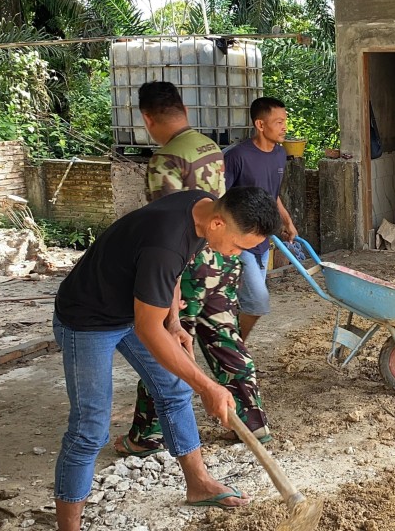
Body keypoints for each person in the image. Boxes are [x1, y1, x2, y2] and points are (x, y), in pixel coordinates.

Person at [52, 186, 281, 530]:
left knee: (173, 391)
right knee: (90, 429)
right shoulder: (167, 241)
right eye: (237, 246)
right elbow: (148, 328)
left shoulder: (201, 207)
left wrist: (173, 321)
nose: (234, 255)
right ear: (219, 223)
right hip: (87, 319)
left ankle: (199, 484)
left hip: (130, 308)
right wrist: (207, 386)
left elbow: (173, 273)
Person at [118, 81, 272, 457]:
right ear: (183, 108)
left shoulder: (165, 160)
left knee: (168, 345)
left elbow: (169, 226)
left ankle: (146, 434)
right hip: (222, 258)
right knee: (224, 336)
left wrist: (168, 295)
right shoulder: (207, 144)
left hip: (187, 268)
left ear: (147, 118)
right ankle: (252, 420)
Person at [224, 97, 299, 341]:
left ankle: (230, 344)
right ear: (260, 124)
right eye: (278, 122)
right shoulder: (237, 156)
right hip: (238, 241)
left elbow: (273, 196)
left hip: (263, 240)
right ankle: (234, 352)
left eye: (285, 121)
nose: (284, 127)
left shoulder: (279, 154)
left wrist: (286, 222)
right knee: (258, 301)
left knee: (247, 300)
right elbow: (219, 200)